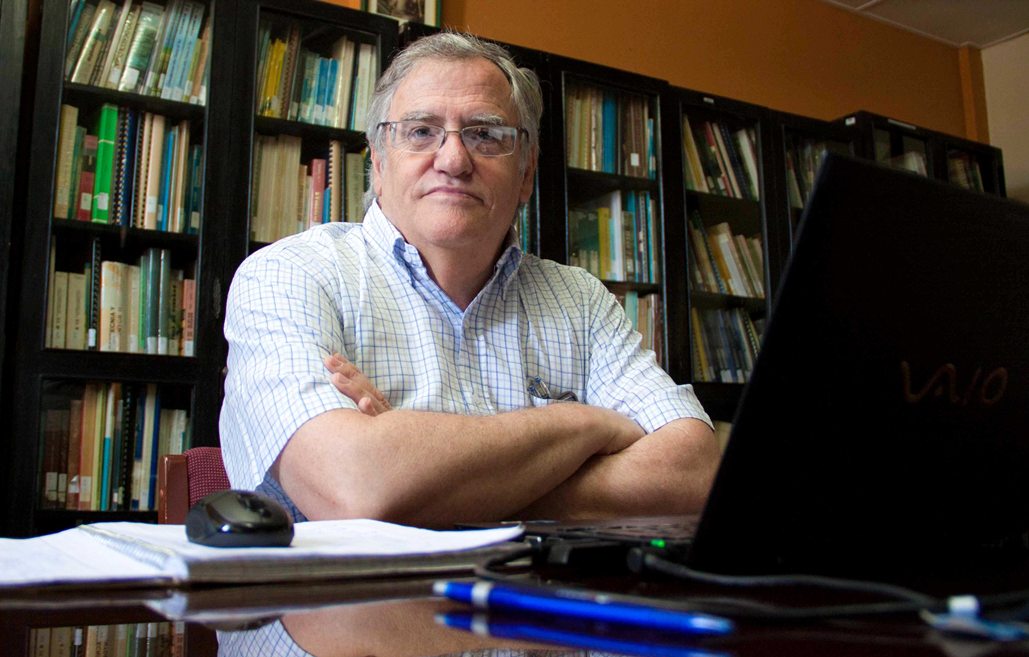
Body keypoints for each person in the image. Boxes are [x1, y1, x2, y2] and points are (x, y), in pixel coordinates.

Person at [219, 31, 719, 529]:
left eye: (486, 134)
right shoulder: (290, 275)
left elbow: (694, 473)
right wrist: (585, 424)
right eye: (421, 131)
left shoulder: (581, 300)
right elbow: (354, 486)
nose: (454, 161)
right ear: (378, 162)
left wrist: (425, 478)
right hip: (358, 584)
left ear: (526, 173)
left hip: (547, 582)